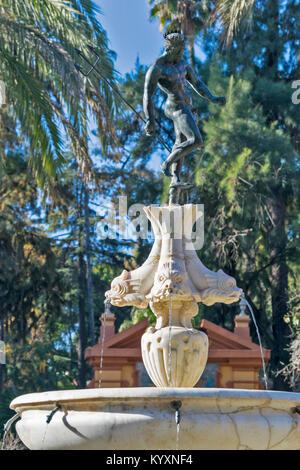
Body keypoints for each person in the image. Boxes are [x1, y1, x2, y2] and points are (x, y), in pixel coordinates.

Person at [143, 31, 226, 186]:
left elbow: (197, 83)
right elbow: (148, 95)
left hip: (187, 106)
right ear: (172, 49)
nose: (183, 53)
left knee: (180, 142)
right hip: (176, 107)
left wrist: (212, 98)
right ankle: (166, 163)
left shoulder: (182, 64)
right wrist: (150, 119)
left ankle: (175, 180)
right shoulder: (158, 68)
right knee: (196, 140)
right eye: (181, 51)